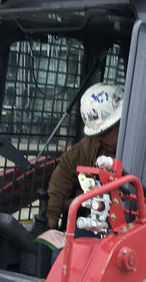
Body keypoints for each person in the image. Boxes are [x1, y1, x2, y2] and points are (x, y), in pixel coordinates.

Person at [45, 82, 123, 230]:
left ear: (120, 122)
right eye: (96, 134)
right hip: (97, 225)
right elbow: (65, 171)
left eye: (103, 133)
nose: (100, 139)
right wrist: (52, 215)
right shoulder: (92, 145)